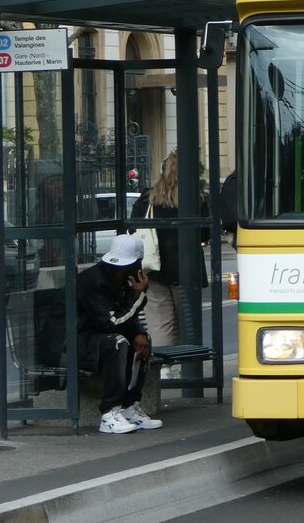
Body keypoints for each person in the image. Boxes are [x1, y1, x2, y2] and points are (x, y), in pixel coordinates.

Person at [76, 234, 163, 434]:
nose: (121, 269)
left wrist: (139, 332)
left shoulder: (121, 278)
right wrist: (138, 294)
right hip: (74, 341)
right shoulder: (95, 282)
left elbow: (123, 317)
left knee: (141, 341)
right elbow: (111, 323)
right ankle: (109, 412)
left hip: (94, 335)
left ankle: (129, 406)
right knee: (117, 342)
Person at [132, 152, 209, 365]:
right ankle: (187, 366)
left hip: (154, 270)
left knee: (159, 323)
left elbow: (134, 228)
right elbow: (205, 234)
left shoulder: (148, 198)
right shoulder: (197, 199)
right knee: (187, 323)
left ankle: (164, 368)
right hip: (187, 272)